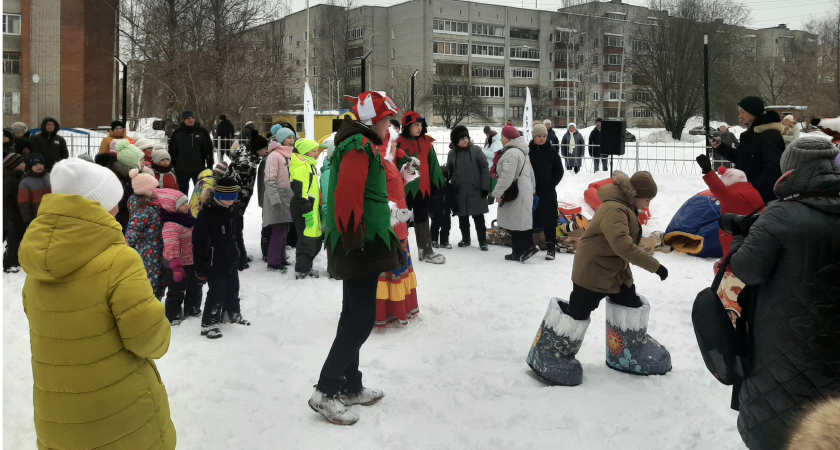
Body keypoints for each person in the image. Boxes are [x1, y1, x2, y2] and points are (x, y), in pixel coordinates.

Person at [19, 158, 175, 450]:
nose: (122, 206)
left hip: (59, 418)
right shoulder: (118, 260)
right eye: (115, 200)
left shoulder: (37, 266)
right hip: (120, 414)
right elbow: (150, 340)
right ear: (99, 205)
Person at [727, 136, 840, 450]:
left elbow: (748, 269)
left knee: (779, 414)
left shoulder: (780, 215)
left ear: (789, 170)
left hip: (785, 339)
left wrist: (739, 238)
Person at [527, 171, 671, 387]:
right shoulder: (615, 209)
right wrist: (656, 267)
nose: (648, 203)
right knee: (579, 310)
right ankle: (549, 353)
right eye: (648, 199)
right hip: (594, 270)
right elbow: (623, 245)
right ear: (636, 194)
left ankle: (627, 350)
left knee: (629, 302)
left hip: (614, 270)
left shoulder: (625, 206)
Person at [311, 92, 401, 426]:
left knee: (353, 313)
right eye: (385, 120)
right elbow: (347, 196)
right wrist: (354, 240)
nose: (389, 126)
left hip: (362, 239)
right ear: (371, 121)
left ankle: (350, 385)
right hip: (360, 243)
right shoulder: (359, 147)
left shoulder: (357, 144)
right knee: (361, 318)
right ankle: (326, 390)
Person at [192, 177, 250, 339]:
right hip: (213, 262)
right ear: (217, 196)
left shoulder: (235, 213)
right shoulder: (206, 215)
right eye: (226, 198)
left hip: (231, 259)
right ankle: (209, 322)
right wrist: (200, 268)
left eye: (233, 198)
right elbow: (198, 243)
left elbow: (238, 237)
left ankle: (232, 314)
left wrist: (242, 256)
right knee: (217, 292)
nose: (230, 202)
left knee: (233, 289)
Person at [376, 132, 418, 328]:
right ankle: (390, 311)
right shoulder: (380, 165)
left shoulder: (390, 164)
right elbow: (377, 195)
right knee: (391, 267)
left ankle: (399, 309)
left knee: (399, 265)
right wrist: (392, 214)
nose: (396, 148)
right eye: (393, 144)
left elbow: (396, 186)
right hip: (390, 223)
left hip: (398, 222)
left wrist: (407, 171)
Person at [710, 96, 784, 204]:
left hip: (762, 199)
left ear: (753, 112)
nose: (740, 116)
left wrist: (752, 190)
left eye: (742, 112)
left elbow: (773, 169)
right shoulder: (750, 135)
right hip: (748, 194)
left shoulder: (770, 135)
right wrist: (720, 146)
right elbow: (740, 159)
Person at [396, 111, 446, 263]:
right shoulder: (398, 142)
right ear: (407, 126)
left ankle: (426, 251)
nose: (419, 128)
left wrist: (437, 184)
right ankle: (397, 252)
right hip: (404, 189)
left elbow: (434, 165)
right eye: (415, 125)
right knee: (400, 220)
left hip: (423, 188)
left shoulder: (426, 142)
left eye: (420, 125)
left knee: (422, 218)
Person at [695, 155, 764, 262]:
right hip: (757, 238)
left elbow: (719, 189)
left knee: (733, 266)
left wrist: (708, 171)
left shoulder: (732, 196)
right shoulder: (754, 192)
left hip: (735, 239)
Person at [156, 188, 202, 325]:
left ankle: (193, 309)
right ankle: (173, 314)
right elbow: (171, 246)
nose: (187, 205)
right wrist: (176, 266)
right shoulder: (171, 225)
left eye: (187, 202)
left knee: (195, 287)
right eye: (183, 204)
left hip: (191, 259)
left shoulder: (188, 218)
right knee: (177, 290)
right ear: (172, 208)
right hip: (176, 264)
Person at [492, 124, 538, 262]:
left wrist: (498, 193)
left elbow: (507, 176)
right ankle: (517, 252)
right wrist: (533, 190)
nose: (501, 139)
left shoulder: (512, 153)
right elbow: (531, 173)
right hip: (524, 189)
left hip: (516, 191)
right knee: (516, 222)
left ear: (509, 138)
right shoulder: (521, 151)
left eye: (503, 136)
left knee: (517, 224)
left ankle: (529, 247)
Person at [446, 125, 490, 251]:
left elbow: (484, 168)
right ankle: (466, 239)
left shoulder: (476, 150)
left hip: (476, 189)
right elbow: (449, 171)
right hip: (459, 191)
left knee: (479, 218)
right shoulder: (452, 154)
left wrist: (485, 186)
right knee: (462, 218)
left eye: (466, 137)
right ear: (455, 141)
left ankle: (483, 241)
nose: (465, 140)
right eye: (462, 139)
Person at [125, 169, 167, 300]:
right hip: (147, 253)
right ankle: (148, 305)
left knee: (160, 280)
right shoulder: (143, 210)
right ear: (146, 191)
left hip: (158, 250)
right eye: (155, 188)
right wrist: (126, 242)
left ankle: (156, 303)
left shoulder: (155, 205)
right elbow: (133, 229)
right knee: (150, 282)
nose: (158, 190)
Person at [289, 138, 324, 279]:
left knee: (312, 238)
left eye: (317, 151)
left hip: (310, 208)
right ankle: (302, 270)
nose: (316, 154)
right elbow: (301, 194)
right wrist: (307, 212)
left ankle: (307, 267)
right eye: (313, 151)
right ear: (305, 152)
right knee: (306, 240)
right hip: (304, 210)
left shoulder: (309, 165)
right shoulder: (301, 168)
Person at [528, 124, 564, 260]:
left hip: (548, 191)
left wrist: (551, 183)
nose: (542, 138)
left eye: (544, 136)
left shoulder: (552, 151)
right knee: (531, 218)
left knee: (550, 220)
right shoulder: (528, 151)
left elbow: (559, 170)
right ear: (534, 137)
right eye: (539, 136)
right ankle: (529, 245)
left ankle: (551, 248)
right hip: (532, 191)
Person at [262, 127, 295, 272]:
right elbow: (269, 179)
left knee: (285, 229)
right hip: (277, 196)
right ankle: (273, 261)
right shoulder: (274, 156)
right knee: (279, 229)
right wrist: (275, 200)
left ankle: (281, 257)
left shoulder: (289, 155)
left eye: (293, 138)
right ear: (281, 139)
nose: (292, 140)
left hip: (288, 195)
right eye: (288, 138)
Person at [169, 110, 215, 195]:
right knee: (181, 194)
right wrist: (172, 165)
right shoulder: (177, 133)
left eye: (192, 118)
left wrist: (210, 164)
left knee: (200, 194)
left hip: (198, 169)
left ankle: (198, 208)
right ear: (184, 120)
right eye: (188, 118)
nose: (191, 120)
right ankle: (184, 208)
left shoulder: (202, 132)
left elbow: (208, 149)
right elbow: (172, 150)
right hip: (181, 169)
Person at [227, 129, 268, 212]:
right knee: (234, 219)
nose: (267, 151)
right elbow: (236, 182)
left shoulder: (248, 157)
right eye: (265, 149)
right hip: (236, 198)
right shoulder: (246, 163)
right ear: (258, 149)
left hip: (238, 196)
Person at [2, 153, 26, 273]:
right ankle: (9, 262)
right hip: (10, 215)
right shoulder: (9, 180)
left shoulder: (18, 176)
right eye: (21, 163)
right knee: (13, 238)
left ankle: (14, 258)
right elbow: (5, 201)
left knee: (16, 237)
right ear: (14, 166)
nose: (24, 165)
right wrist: (9, 217)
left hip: (16, 214)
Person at [17, 153, 51, 228]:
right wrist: (28, 220)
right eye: (35, 164)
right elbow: (24, 204)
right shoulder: (25, 183)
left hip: (53, 213)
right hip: (37, 217)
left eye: (40, 163)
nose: (39, 166)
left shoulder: (50, 176)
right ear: (29, 166)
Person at [429, 164, 452, 249]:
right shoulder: (434, 187)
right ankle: (434, 240)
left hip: (446, 211)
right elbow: (430, 200)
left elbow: (452, 199)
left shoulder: (449, 187)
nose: (444, 179)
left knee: (446, 227)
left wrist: (455, 209)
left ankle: (444, 241)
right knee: (435, 227)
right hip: (436, 211)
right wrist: (430, 210)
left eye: (446, 177)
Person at [483, 126, 504, 201]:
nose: (487, 136)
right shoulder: (490, 141)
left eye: (487, 135)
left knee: (493, 183)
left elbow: (494, 154)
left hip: (493, 166)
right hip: (488, 165)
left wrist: (484, 152)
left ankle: (492, 198)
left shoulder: (497, 142)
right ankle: (489, 196)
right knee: (488, 183)